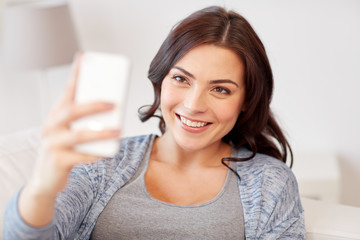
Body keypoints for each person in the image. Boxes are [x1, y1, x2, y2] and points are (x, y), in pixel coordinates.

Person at [4, 6, 305, 240]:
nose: (193, 105)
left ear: (246, 102)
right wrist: (41, 189)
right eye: (181, 79)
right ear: (160, 82)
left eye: (221, 89)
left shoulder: (270, 183)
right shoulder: (102, 163)